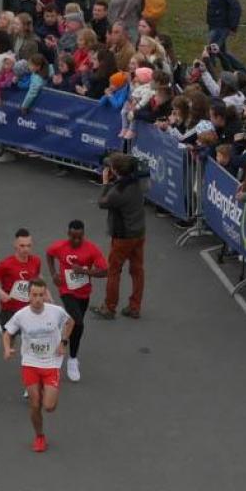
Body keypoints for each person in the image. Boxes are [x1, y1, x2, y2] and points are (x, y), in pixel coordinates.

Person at [1, 278, 74, 453]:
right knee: (35, 404)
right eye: (34, 295)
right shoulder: (21, 315)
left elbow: (70, 322)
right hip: (30, 362)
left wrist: (63, 342)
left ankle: (46, 390)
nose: (38, 299)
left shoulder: (55, 311)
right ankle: (40, 436)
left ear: (45, 295)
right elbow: (7, 333)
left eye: (41, 295)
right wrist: (7, 349)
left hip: (51, 362)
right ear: (28, 296)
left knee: (49, 406)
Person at [45, 220, 107, 382]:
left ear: (83, 235)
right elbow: (49, 254)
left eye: (80, 237)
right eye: (73, 237)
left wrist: (85, 272)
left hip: (84, 293)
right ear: (68, 234)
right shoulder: (60, 247)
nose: (76, 240)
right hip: (66, 291)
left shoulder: (91, 249)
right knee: (78, 322)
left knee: (76, 326)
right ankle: (72, 360)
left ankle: (70, 346)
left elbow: (105, 271)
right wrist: (53, 274)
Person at [95, 152, 147, 320]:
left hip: (123, 237)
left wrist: (105, 183)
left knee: (114, 271)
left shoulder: (117, 192)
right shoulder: (137, 181)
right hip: (139, 233)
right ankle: (135, 307)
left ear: (116, 170)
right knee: (137, 270)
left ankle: (109, 308)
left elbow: (102, 202)